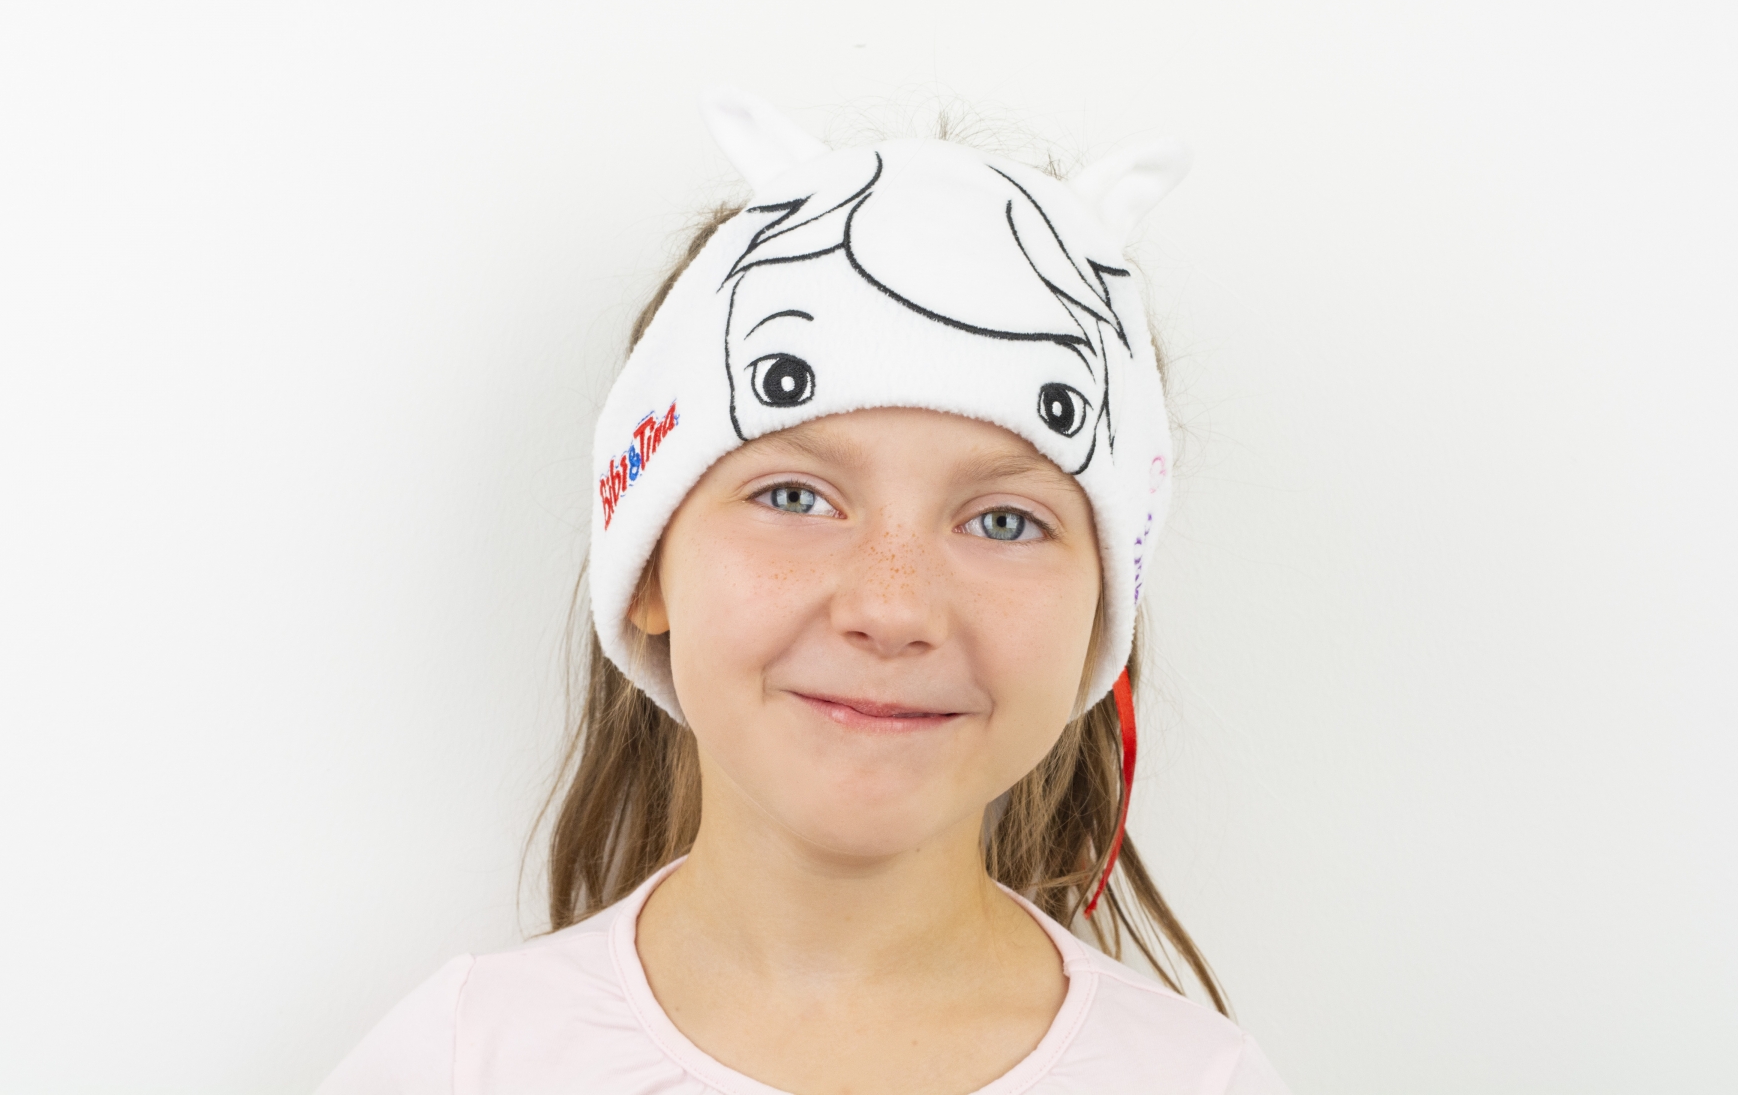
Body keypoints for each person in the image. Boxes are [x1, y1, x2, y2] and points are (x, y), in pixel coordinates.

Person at [318, 89, 1292, 1094]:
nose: (893, 608)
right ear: (646, 564)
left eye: (1004, 521)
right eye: (795, 497)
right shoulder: (460, 1059)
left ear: (1101, 614)